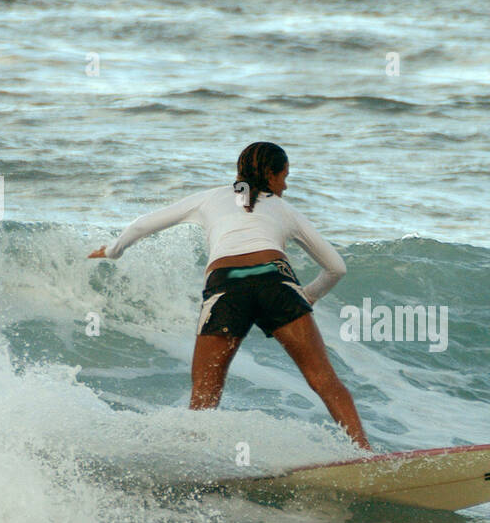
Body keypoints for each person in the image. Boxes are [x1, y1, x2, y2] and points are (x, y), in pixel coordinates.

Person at [88, 142, 371, 450]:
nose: (285, 185)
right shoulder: (285, 209)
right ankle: (365, 455)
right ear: (270, 174)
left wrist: (114, 250)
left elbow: (143, 224)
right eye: (284, 176)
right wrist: (307, 296)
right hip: (275, 281)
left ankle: (192, 460)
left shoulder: (208, 198)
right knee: (324, 380)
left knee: (205, 392)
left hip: (226, 286)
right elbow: (336, 268)